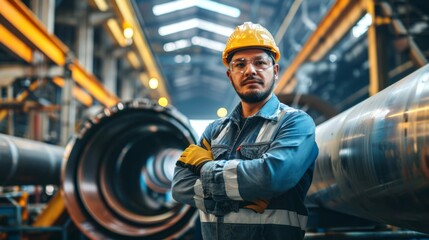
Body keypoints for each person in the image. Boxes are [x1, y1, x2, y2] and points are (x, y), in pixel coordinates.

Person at [172, 22, 319, 240]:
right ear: (230, 75)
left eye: (260, 63)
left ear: (275, 71)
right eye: (240, 64)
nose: (250, 70)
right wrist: (240, 194)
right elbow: (179, 185)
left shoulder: (296, 123)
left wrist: (206, 166)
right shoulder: (214, 131)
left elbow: (271, 178)